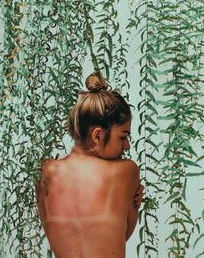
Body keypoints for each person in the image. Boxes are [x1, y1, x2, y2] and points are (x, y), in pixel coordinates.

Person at [35, 71, 144, 258]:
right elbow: (120, 236)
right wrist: (135, 205)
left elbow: (55, 231)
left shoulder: (45, 172)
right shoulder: (126, 170)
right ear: (98, 135)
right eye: (123, 136)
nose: (126, 146)